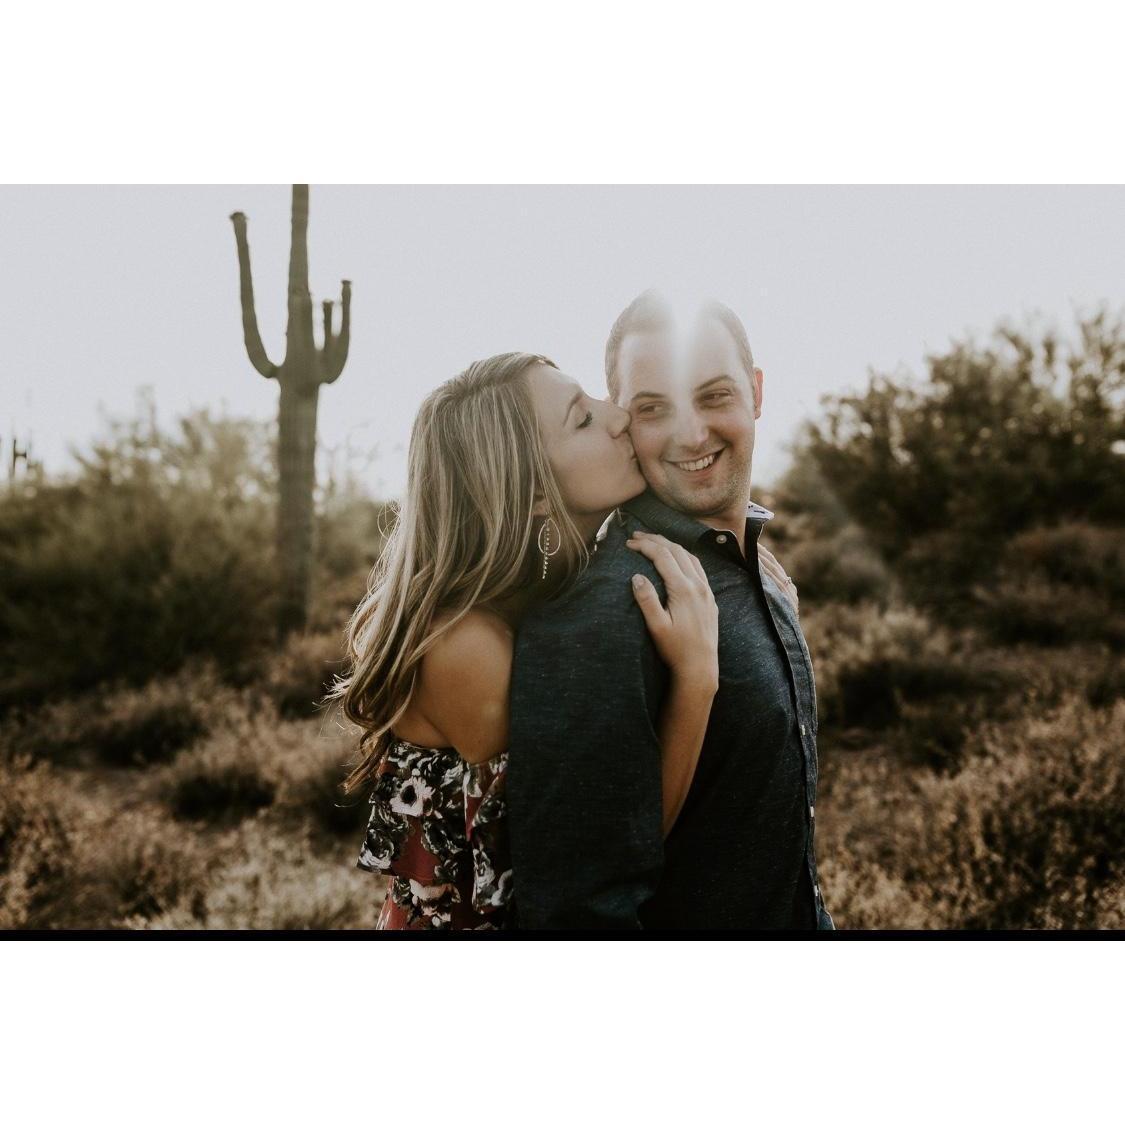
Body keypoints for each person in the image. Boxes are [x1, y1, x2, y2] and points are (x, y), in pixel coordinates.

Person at [331, 352, 720, 930]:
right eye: (582, 419)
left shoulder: (541, 595)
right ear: (534, 490)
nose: (618, 416)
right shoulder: (467, 646)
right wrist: (696, 680)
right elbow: (603, 852)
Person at [506, 291, 834, 930]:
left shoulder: (755, 568)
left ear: (756, 392)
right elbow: (576, 915)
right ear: (623, 418)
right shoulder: (604, 611)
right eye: (654, 408)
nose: (691, 434)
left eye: (714, 396)